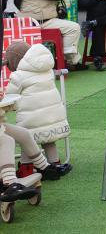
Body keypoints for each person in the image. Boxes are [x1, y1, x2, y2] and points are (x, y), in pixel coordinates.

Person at [4, 41, 73, 177]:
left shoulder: (19, 76)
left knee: (27, 141)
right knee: (49, 141)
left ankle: (26, 169)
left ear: (14, 61)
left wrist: (10, 107)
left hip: (31, 119)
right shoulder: (46, 69)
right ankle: (54, 164)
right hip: (52, 116)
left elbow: (11, 96)